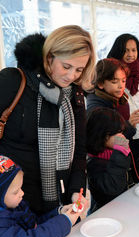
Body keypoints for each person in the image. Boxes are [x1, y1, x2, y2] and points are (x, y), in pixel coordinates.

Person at [0, 25, 95, 215]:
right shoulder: (13, 81)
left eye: (79, 69)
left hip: (56, 205)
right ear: (49, 57)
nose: (71, 76)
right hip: (12, 207)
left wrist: (77, 190)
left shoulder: (74, 96)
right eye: (66, 66)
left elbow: (79, 153)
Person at [0, 155, 84, 237]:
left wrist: (59, 213)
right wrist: (65, 221)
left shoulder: (15, 205)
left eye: (21, 188)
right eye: (15, 192)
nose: (22, 193)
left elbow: (34, 225)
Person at [107, 34, 139, 161]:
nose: (130, 54)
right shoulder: (109, 72)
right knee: (122, 164)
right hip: (118, 133)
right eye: (126, 50)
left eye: (134, 50)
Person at [86, 107, 133, 210]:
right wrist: (120, 154)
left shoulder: (113, 153)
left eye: (121, 131)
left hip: (124, 205)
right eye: (117, 133)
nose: (121, 136)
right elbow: (113, 188)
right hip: (106, 212)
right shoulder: (94, 164)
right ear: (103, 136)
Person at [86, 58, 139, 141]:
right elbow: (106, 142)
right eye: (114, 82)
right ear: (101, 83)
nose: (121, 86)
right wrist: (129, 126)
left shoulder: (122, 101)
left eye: (123, 81)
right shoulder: (96, 110)